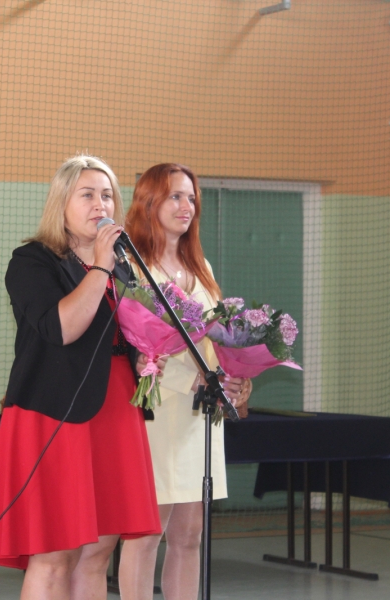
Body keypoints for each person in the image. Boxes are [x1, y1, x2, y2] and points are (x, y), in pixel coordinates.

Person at [0, 155, 161, 600]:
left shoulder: (122, 267)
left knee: (98, 552)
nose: (101, 204)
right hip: (55, 414)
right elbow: (63, 328)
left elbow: (120, 334)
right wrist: (99, 266)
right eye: (87, 194)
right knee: (55, 555)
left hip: (115, 412)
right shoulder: (32, 261)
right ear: (61, 203)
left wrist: (144, 358)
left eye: (107, 195)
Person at [118, 163, 252, 600]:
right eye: (175, 196)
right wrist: (189, 380)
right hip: (157, 413)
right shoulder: (132, 267)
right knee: (145, 534)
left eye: (191, 198)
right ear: (149, 202)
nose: (186, 206)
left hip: (201, 418)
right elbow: (135, 348)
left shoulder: (202, 266)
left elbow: (215, 340)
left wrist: (237, 379)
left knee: (189, 534)